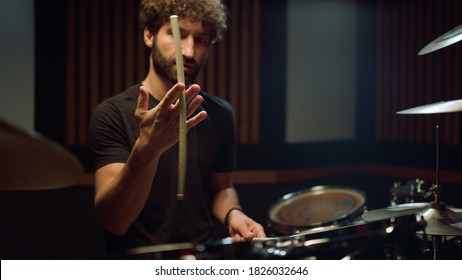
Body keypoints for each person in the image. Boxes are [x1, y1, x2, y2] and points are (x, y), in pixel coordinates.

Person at [88, 0, 266, 255]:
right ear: (149, 35)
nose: (190, 51)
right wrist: (147, 149)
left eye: (202, 39)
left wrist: (233, 214)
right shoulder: (112, 114)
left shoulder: (220, 114)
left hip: (201, 258)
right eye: (177, 34)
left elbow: (221, 187)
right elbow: (115, 221)